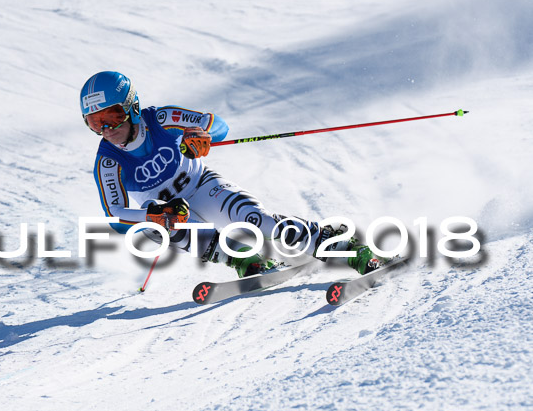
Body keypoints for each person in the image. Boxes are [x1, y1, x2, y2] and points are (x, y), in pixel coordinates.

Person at [82, 71, 381, 278]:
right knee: (161, 226)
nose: (108, 130)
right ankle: (241, 258)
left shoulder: (160, 118)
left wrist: (200, 134)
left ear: (132, 107)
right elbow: (115, 217)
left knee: (256, 221)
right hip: (172, 211)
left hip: (201, 186)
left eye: (113, 116)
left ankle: (340, 245)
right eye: (96, 123)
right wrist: (153, 216)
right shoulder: (108, 162)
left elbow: (215, 123)